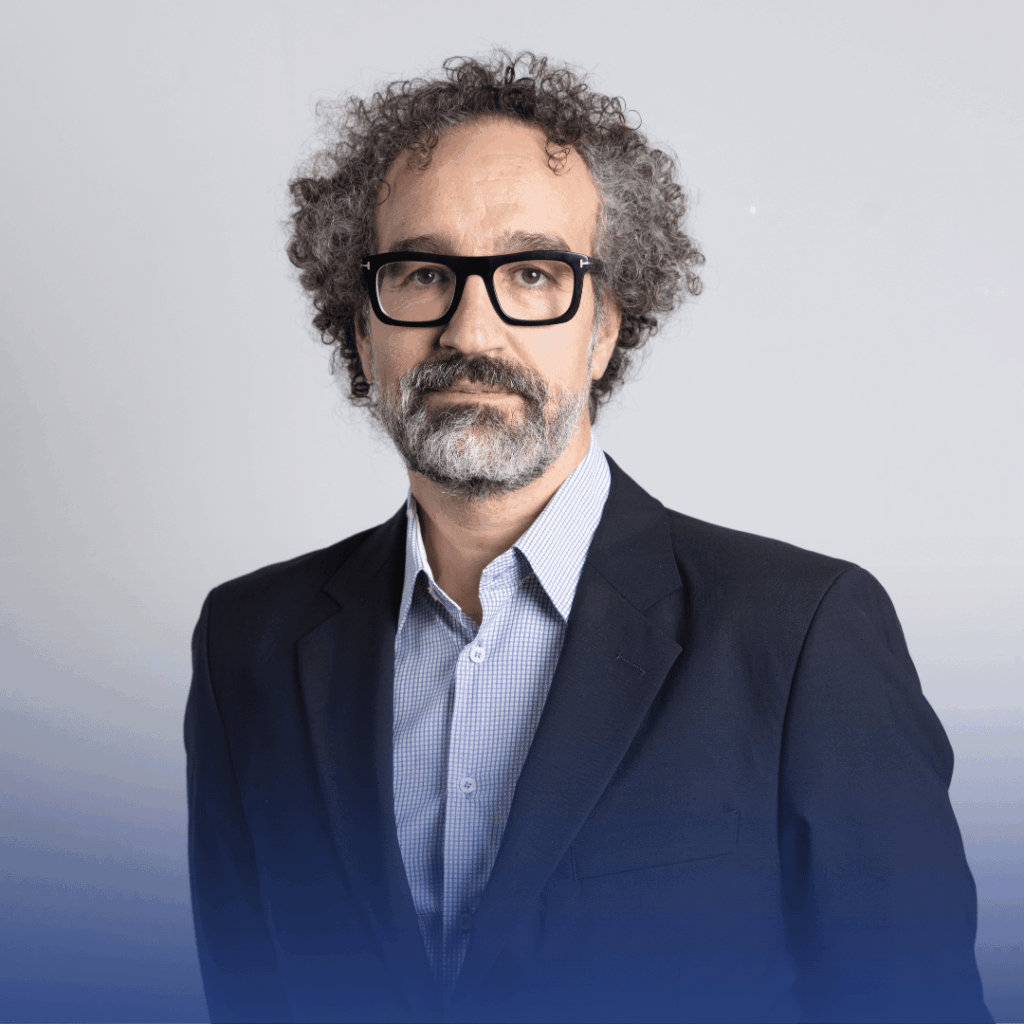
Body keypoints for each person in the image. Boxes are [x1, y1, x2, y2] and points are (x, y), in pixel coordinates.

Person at [184, 52, 992, 1024]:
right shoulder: (248, 646)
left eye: (532, 274)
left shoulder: (803, 637)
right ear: (362, 332)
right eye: (423, 273)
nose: (470, 331)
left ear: (605, 327)